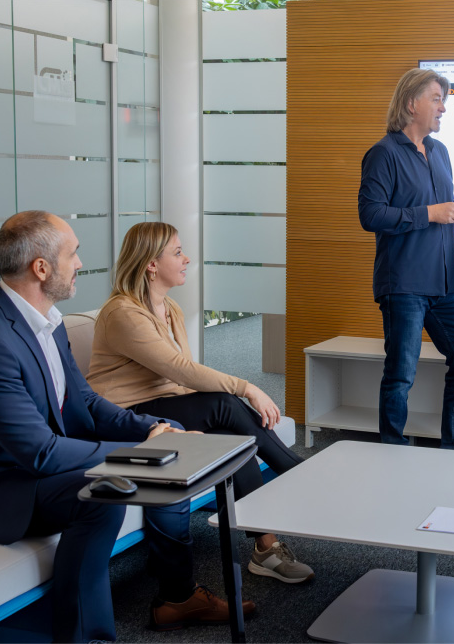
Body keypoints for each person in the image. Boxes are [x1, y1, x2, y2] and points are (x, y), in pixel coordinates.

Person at [0, 210, 254, 643]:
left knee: (166, 446)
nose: (80, 263)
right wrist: (142, 453)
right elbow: (39, 451)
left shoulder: (47, 323)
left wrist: (154, 430)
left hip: (24, 469)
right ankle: (83, 636)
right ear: (41, 268)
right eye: (73, 254)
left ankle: (178, 596)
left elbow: (84, 402)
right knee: (103, 494)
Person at [86, 221, 313, 584]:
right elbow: (180, 370)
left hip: (164, 406)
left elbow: (180, 379)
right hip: (126, 417)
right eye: (177, 252)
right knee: (225, 403)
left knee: (233, 439)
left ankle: (265, 547)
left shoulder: (170, 308)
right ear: (151, 264)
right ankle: (301, 476)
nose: (187, 258)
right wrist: (247, 388)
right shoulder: (122, 313)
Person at [358, 67, 454, 450]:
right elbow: (370, 215)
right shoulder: (383, 154)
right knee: (401, 374)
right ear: (412, 103)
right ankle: (393, 452)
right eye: (437, 99)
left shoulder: (440, 152)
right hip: (404, 284)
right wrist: (429, 213)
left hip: (445, 285)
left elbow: (442, 214)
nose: (443, 108)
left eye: (444, 100)